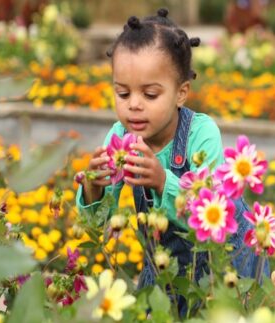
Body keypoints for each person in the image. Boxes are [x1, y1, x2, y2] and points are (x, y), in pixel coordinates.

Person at [74, 8, 263, 304]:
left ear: (181, 92)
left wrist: (163, 182)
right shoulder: (119, 138)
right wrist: (93, 189)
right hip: (163, 267)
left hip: (221, 267)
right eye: (123, 94)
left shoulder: (200, 135)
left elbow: (216, 214)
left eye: (150, 95)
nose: (134, 105)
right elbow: (98, 226)